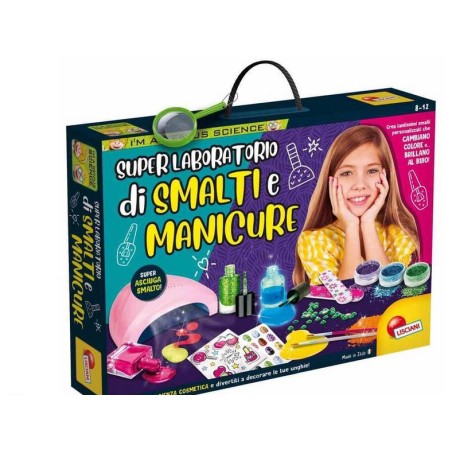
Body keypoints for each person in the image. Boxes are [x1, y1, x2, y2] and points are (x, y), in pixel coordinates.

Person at [293, 125, 419, 286]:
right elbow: (346, 297)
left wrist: (367, 223)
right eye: (346, 173)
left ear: (385, 176)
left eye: (372, 171)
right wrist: (351, 226)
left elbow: (389, 290)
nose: (360, 185)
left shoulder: (397, 233)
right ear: (330, 181)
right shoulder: (315, 240)